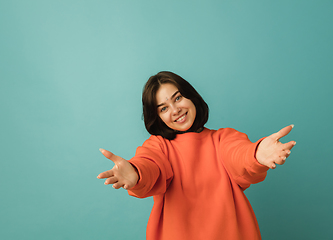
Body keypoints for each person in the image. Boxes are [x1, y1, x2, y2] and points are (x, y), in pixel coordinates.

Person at [97, 71, 296, 240]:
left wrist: (256, 154)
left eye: (178, 98)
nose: (176, 110)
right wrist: (136, 173)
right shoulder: (159, 146)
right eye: (164, 108)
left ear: (191, 97)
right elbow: (150, 164)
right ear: (157, 117)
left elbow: (239, 154)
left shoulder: (222, 138)